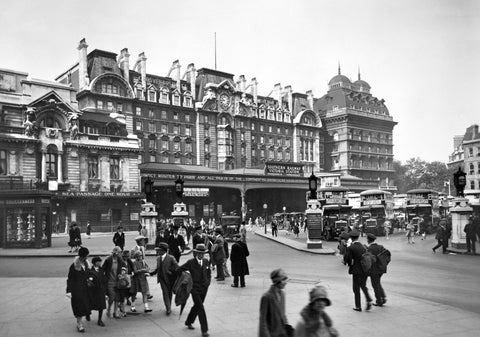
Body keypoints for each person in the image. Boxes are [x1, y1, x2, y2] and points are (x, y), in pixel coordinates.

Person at [178, 243, 211, 337]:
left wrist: (208, 283)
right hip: (194, 289)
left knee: (197, 306)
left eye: (203, 253)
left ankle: (188, 321)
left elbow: (208, 274)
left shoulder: (206, 261)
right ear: (196, 253)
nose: (201, 255)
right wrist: (185, 279)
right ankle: (204, 330)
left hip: (204, 288)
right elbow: (180, 269)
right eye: (199, 253)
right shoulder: (190, 262)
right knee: (200, 308)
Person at [343, 230, 373, 312]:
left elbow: (349, 260)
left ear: (351, 238)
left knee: (356, 289)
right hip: (365, 269)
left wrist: (349, 264)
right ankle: (368, 298)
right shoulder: (363, 246)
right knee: (363, 285)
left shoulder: (351, 248)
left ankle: (358, 306)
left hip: (356, 270)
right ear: (358, 237)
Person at [259, 268, 292, 337]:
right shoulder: (266, 297)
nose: (286, 282)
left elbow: (283, 314)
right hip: (272, 334)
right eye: (283, 280)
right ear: (277, 281)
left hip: (282, 333)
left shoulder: (282, 294)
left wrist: (287, 329)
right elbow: (263, 321)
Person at [150, 242, 179, 315]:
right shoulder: (158, 258)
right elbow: (157, 269)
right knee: (165, 293)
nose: (158, 251)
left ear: (163, 250)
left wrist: (171, 272)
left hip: (170, 279)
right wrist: (151, 273)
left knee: (169, 293)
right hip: (162, 279)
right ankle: (168, 308)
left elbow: (177, 268)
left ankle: (169, 305)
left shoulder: (171, 258)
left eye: (159, 250)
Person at [66, 246, 91, 333]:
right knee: (79, 307)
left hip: (86, 288)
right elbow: (70, 279)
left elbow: (89, 274)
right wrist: (69, 291)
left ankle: (85, 316)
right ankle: (79, 323)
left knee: (85, 305)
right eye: (87, 255)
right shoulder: (74, 266)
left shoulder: (87, 263)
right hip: (77, 290)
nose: (87, 257)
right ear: (83, 256)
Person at [102, 246, 125, 318]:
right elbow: (102, 269)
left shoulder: (120, 260)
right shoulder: (108, 259)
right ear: (115, 253)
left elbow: (124, 266)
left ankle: (115, 312)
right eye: (120, 252)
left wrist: (123, 272)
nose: (121, 254)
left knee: (117, 297)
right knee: (112, 297)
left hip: (118, 281)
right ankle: (109, 309)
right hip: (110, 281)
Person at [366, 234, 388, 307]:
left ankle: (379, 301)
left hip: (374, 270)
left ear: (369, 240)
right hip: (381, 269)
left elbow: (368, 261)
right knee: (378, 283)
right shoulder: (380, 247)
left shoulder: (369, 249)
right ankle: (383, 297)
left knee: (375, 285)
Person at [87, 256, 107, 326]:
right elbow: (89, 281)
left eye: (100, 261)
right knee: (90, 304)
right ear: (95, 263)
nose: (100, 263)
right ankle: (87, 314)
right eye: (99, 262)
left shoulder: (102, 270)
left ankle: (99, 320)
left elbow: (104, 279)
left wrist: (105, 290)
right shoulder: (90, 271)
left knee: (101, 306)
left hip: (101, 290)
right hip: (93, 291)